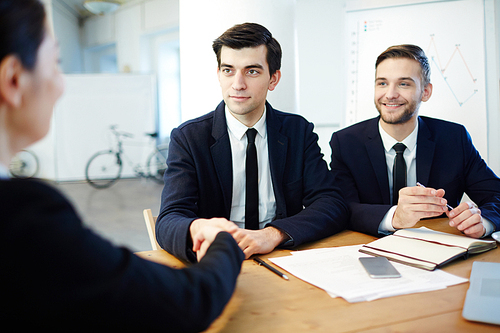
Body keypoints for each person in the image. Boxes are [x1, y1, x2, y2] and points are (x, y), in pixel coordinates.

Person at [0, 0, 244, 331]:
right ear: (14, 79)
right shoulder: (21, 216)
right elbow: (185, 302)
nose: (61, 84)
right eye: (55, 64)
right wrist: (224, 241)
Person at [156, 22, 349, 263]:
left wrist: (274, 234)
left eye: (252, 71)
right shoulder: (189, 138)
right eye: (228, 70)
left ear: (273, 79)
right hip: (218, 260)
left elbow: (331, 203)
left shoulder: (298, 131)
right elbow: (169, 219)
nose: (238, 84)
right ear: (218, 75)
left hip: (281, 255)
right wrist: (197, 229)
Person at [330, 44, 500, 239]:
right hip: (366, 248)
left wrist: (483, 222)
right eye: (382, 83)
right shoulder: (346, 142)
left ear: (425, 92)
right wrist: (394, 217)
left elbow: (496, 195)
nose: (390, 94)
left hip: (437, 249)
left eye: (404, 84)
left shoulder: (454, 138)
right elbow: (341, 206)